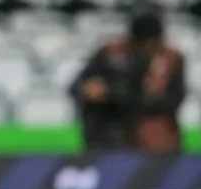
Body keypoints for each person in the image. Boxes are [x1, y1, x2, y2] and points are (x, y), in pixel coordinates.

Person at [68, 10, 186, 152]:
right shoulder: (111, 53)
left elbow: (172, 99)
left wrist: (109, 92)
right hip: (107, 135)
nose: (147, 48)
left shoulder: (170, 59)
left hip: (151, 141)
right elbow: (76, 86)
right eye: (142, 43)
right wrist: (87, 89)